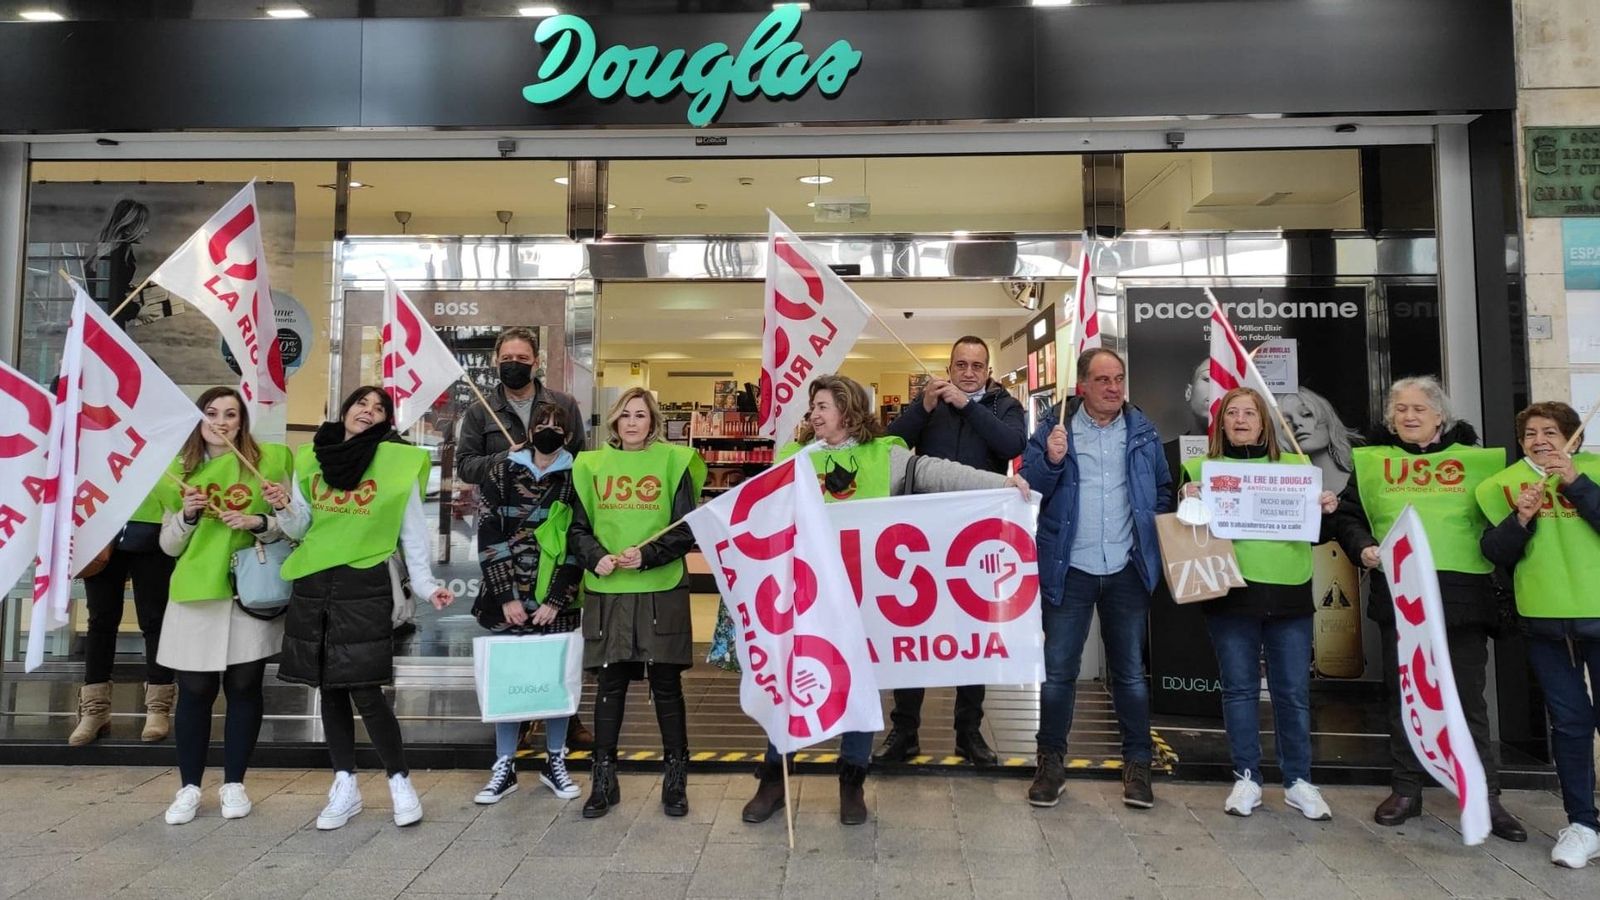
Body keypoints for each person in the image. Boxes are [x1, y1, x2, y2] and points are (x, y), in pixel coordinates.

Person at [740, 374, 1031, 827]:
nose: (814, 414)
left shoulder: (884, 455)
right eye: (813, 407)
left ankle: (852, 781)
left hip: (866, 599)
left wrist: (1001, 484)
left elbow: (937, 473)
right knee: (792, 685)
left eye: (822, 406)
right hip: (807, 598)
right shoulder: (793, 459)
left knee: (860, 688)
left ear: (848, 410)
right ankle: (774, 779)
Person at [1331, 375, 1526, 841]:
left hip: (1463, 597)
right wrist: (1363, 548)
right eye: (1400, 409)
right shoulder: (1374, 462)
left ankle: (1484, 795)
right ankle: (1406, 789)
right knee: (1406, 697)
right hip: (1402, 595)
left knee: (1467, 701)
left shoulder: (1477, 462)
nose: (1409, 416)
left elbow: (1502, 521)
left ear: (1441, 415)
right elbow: (1349, 516)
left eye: (1419, 408)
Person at [274, 386, 455, 831]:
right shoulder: (311, 457)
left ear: (386, 421)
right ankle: (345, 784)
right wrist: (284, 507)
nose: (368, 412)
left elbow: (411, 531)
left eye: (379, 409)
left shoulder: (397, 461)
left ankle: (399, 781)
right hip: (315, 582)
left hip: (365, 582)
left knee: (366, 690)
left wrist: (426, 585)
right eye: (361, 403)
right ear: (345, 408)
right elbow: (301, 526)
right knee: (329, 689)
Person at [1020, 348, 1173, 811]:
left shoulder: (1143, 431)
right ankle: (1050, 764)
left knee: (1130, 674)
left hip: (1127, 568)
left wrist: (1151, 527)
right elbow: (1030, 485)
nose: (1113, 387)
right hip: (1070, 568)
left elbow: (1162, 489)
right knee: (1058, 673)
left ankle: (1138, 765)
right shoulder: (1055, 427)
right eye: (1103, 379)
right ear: (1082, 385)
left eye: (1119, 378)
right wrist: (1051, 459)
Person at [1177, 387, 1338, 820]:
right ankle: (1246, 777)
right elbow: (1184, 532)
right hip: (1231, 592)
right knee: (1239, 690)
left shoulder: (1298, 468)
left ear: (1265, 422)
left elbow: (1319, 535)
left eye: (1250, 413)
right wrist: (1186, 501)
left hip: (1289, 592)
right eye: (1233, 413)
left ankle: (1298, 781)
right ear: (1222, 423)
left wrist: (1326, 509)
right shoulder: (1199, 470)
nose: (1241, 420)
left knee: (1292, 693)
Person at [878, 335, 1026, 767]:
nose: (968, 372)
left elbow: (1012, 445)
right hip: (925, 534)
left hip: (980, 536)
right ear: (949, 367)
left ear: (989, 371)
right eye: (961, 364)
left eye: (977, 366)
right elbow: (887, 447)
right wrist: (922, 407)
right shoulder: (930, 402)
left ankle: (969, 732)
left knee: (973, 633)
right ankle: (904, 730)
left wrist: (968, 406)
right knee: (914, 629)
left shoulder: (1004, 405)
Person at [155, 387, 294, 826]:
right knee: (195, 690)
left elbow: (292, 528)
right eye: (211, 413)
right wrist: (188, 516)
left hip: (249, 591)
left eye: (230, 414)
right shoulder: (176, 472)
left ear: (242, 421)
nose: (220, 422)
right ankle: (189, 787)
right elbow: (169, 545)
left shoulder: (269, 462)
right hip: (197, 592)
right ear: (197, 420)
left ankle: (235, 782)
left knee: (245, 687)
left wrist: (259, 521)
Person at [569, 387, 705, 820]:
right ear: (614, 420)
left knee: (666, 684)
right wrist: (595, 556)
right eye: (625, 414)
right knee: (609, 685)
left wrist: (648, 555)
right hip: (608, 590)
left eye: (641, 415)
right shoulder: (589, 465)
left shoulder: (674, 462)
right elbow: (577, 528)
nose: (632, 422)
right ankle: (603, 780)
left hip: (661, 588)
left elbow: (686, 528)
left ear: (653, 422)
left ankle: (675, 779)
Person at [455, 326, 592, 750]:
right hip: (508, 535)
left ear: (537, 362)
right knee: (514, 642)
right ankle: (515, 722)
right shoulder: (481, 411)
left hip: (554, 535)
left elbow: (581, 464)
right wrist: (507, 457)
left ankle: (563, 720)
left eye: (522, 358)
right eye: (507, 358)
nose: (514, 364)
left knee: (555, 643)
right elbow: (465, 466)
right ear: (496, 361)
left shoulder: (563, 404)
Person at [1478, 401, 1600, 868]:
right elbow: (1495, 552)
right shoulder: (1499, 485)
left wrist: (1575, 482)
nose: (1539, 440)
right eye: (1530, 434)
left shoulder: (1594, 471)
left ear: (1573, 437)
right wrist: (1521, 520)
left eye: (1550, 432)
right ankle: (1582, 825)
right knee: (1568, 724)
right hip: (1544, 622)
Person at [470, 402, 584, 807]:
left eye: (558, 425)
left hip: (555, 604)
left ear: (568, 435)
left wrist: (556, 598)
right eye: (542, 423)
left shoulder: (578, 476)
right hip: (507, 599)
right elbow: (488, 533)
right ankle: (504, 765)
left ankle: (555, 760)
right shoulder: (502, 471)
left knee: (555, 679)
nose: (549, 430)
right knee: (509, 681)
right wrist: (506, 596)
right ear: (530, 429)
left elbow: (578, 541)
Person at [70, 491, 177, 746]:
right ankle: (95, 709)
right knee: (100, 619)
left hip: (153, 523)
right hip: (101, 523)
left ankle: (158, 708)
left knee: (155, 619)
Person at [1274, 386, 1360, 495]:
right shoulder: (1283, 492)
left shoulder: (1363, 481)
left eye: (1306, 414)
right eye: (1285, 422)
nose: (1296, 423)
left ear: (1327, 420)